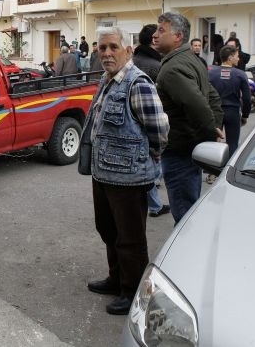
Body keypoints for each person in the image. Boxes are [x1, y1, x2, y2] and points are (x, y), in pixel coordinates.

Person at [82, 26, 169, 315]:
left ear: (128, 50)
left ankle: (133, 292)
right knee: (108, 231)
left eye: (113, 47)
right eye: (102, 48)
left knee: (130, 238)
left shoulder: (138, 83)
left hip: (129, 178)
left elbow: (159, 129)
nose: (106, 53)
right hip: (103, 174)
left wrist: (151, 156)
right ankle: (116, 279)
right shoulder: (106, 81)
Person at [153, 12, 224, 223]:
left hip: (179, 151)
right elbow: (212, 97)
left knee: (184, 215)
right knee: (190, 205)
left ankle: (186, 252)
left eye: (161, 30)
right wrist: (215, 127)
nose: (155, 35)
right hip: (189, 149)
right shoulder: (190, 59)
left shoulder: (172, 69)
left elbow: (198, 105)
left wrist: (210, 135)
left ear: (178, 37)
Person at [131, 23, 170, 218]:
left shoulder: (131, 61)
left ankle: (153, 202)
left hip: (130, 124)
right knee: (151, 162)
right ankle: (154, 202)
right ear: (154, 41)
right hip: (151, 122)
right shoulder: (158, 66)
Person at [208, 45, 251, 157]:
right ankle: (228, 170)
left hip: (215, 112)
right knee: (232, 144)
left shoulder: (210, 73)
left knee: (213, 143)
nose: (239, 59)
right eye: (237, 56)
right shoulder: (240, 74)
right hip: (233, 112)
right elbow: (247, 98)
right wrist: (245, 115)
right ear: (230, 57)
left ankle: (212, 172)